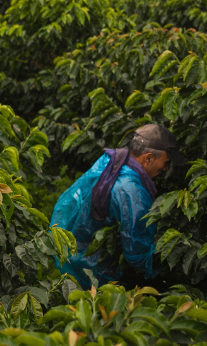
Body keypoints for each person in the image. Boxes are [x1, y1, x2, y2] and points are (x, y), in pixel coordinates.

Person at [50, 124, 186, 289]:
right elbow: (137, 254)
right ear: (149, 158)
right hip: (88, 268)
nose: (166, 168)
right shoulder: (131, 191)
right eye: (166, 162)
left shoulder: (112, 160)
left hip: (65, 248)